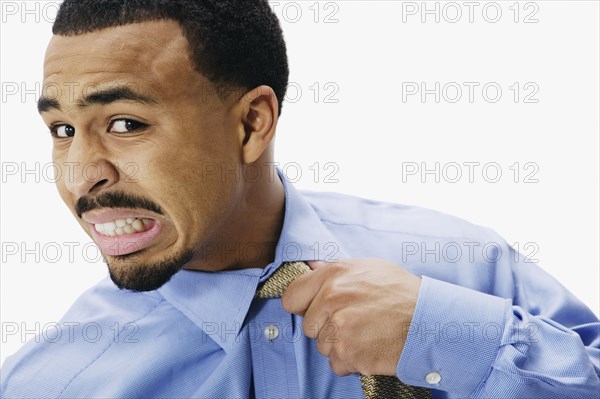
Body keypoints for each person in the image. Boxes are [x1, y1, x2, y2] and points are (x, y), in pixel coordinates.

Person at [1, 1, 598, 398]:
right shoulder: (50, 382)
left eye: (126, 124)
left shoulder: (466, 267)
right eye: (62, 131)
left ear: (252, 123)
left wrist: (451, 335)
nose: (81, 176)